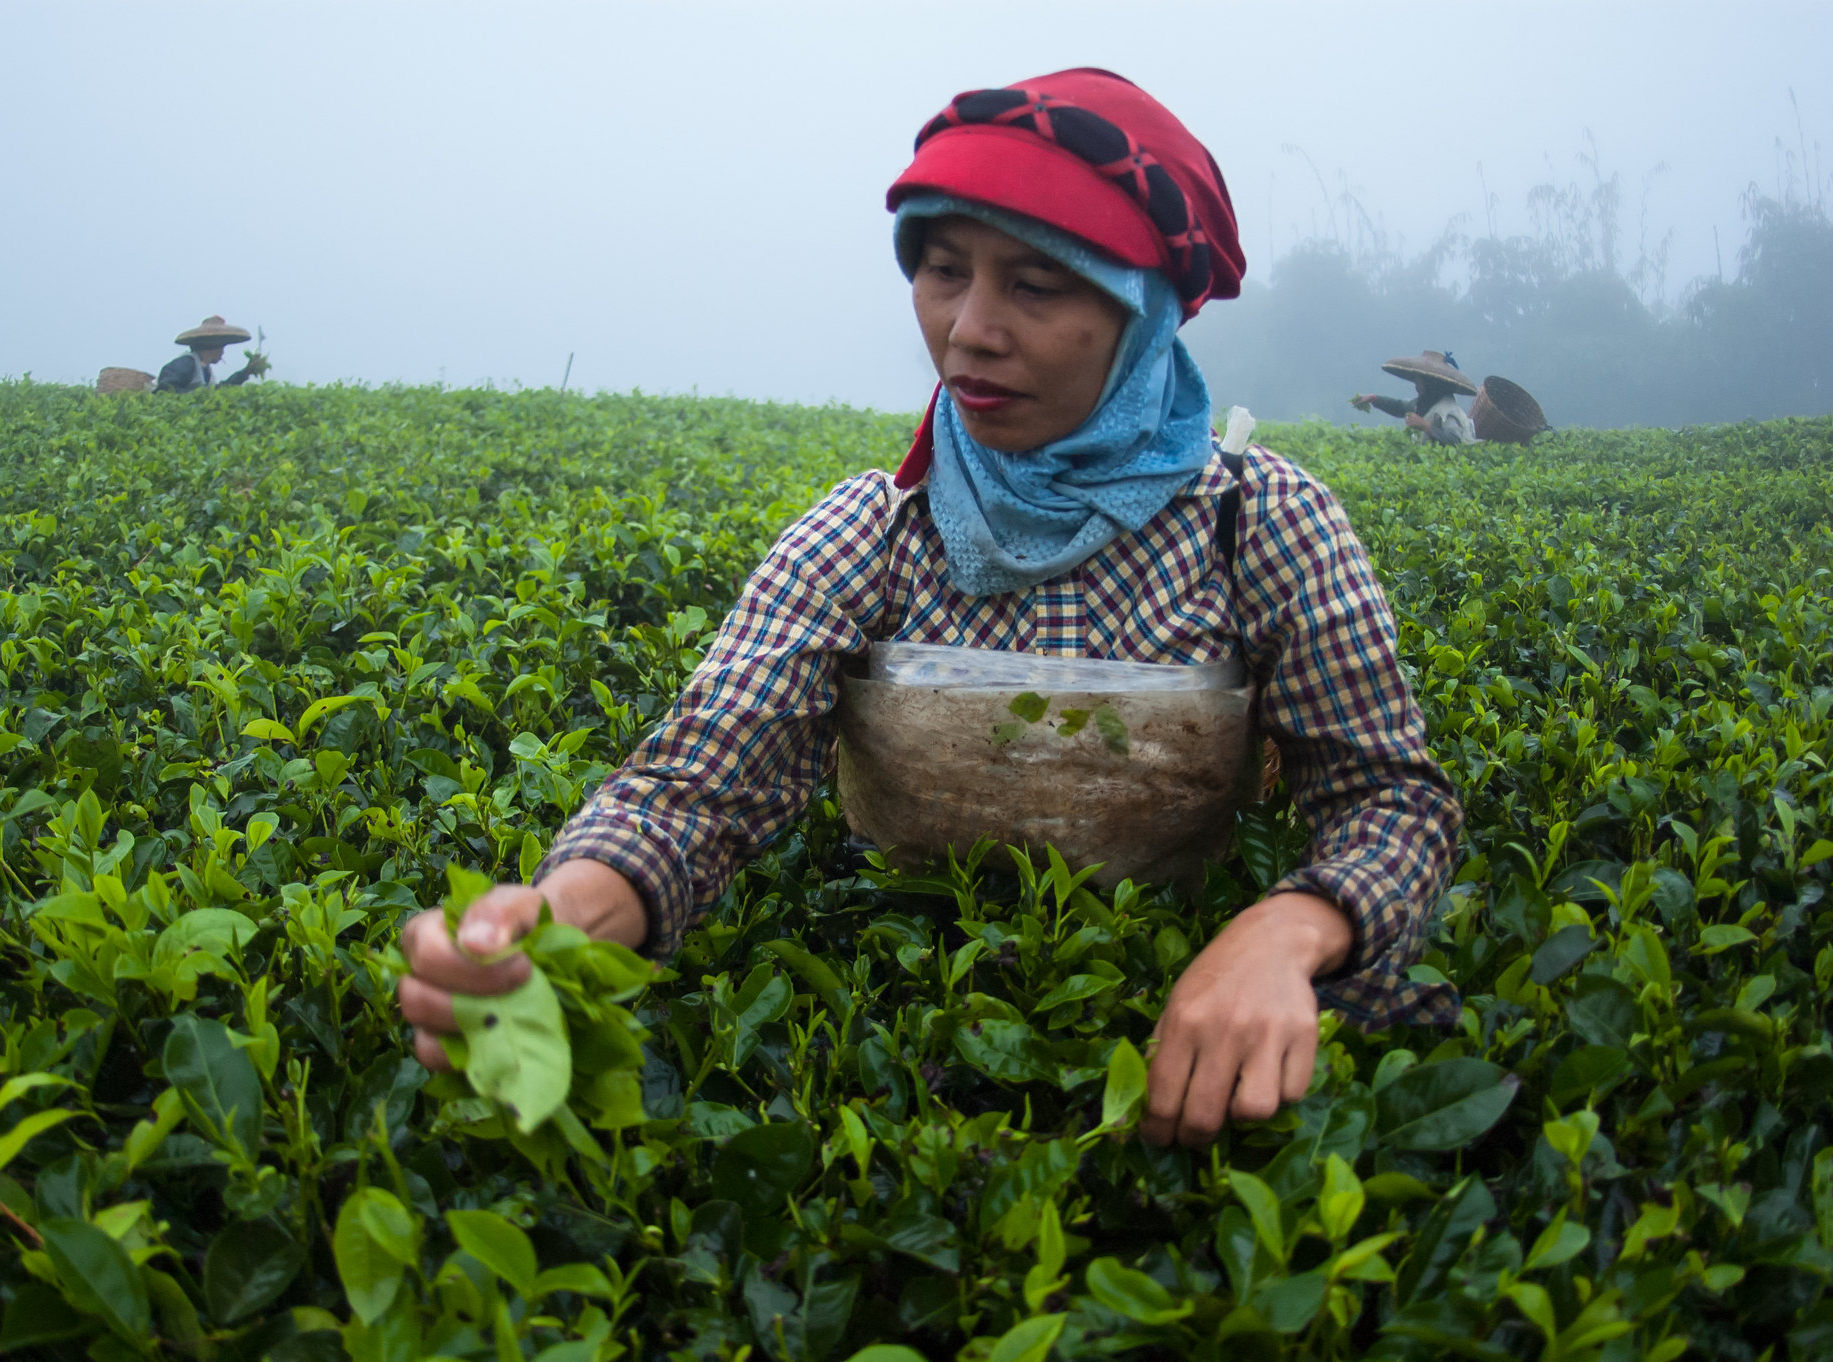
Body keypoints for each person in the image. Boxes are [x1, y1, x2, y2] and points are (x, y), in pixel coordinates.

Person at [395, 68, 1462, 1148]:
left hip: (1168, 1031)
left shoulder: (1258, 521)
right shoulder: (869, 533)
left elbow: (1389, 800)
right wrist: (560, 918)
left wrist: (1284, 932)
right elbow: (694, 795)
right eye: (942, 273)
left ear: (1139, 311)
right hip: (884, 1055)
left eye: (1036, 286)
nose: (966, 332)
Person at [1351, 350, 1478, 446]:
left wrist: (1426, 426)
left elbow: (1455, 438)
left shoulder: (1448, 410)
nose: (1416, 387)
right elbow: (1400, 407)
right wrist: (1374, 398)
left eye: (1418, 383)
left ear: (1430, 384)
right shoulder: (1425, 404)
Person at [155, 316, 267, 392]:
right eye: (221, 347)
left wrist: (245, 373)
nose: (222, 352)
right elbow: (165, 389)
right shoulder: (185, 364)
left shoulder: (205, 370)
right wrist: (194, 397)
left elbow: (216, 391)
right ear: (212, 347)